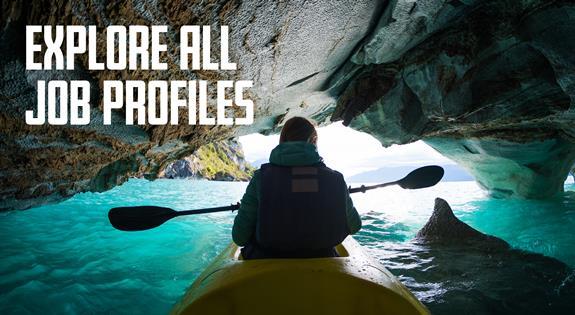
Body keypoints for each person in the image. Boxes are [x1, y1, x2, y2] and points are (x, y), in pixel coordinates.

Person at [232, 116, 362, 259]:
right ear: (313, 141)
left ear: (283, 140)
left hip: (267, 263)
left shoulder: (260, 178)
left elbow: (239, 238)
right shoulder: (336, 179)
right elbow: (354, 226)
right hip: (323, 263)